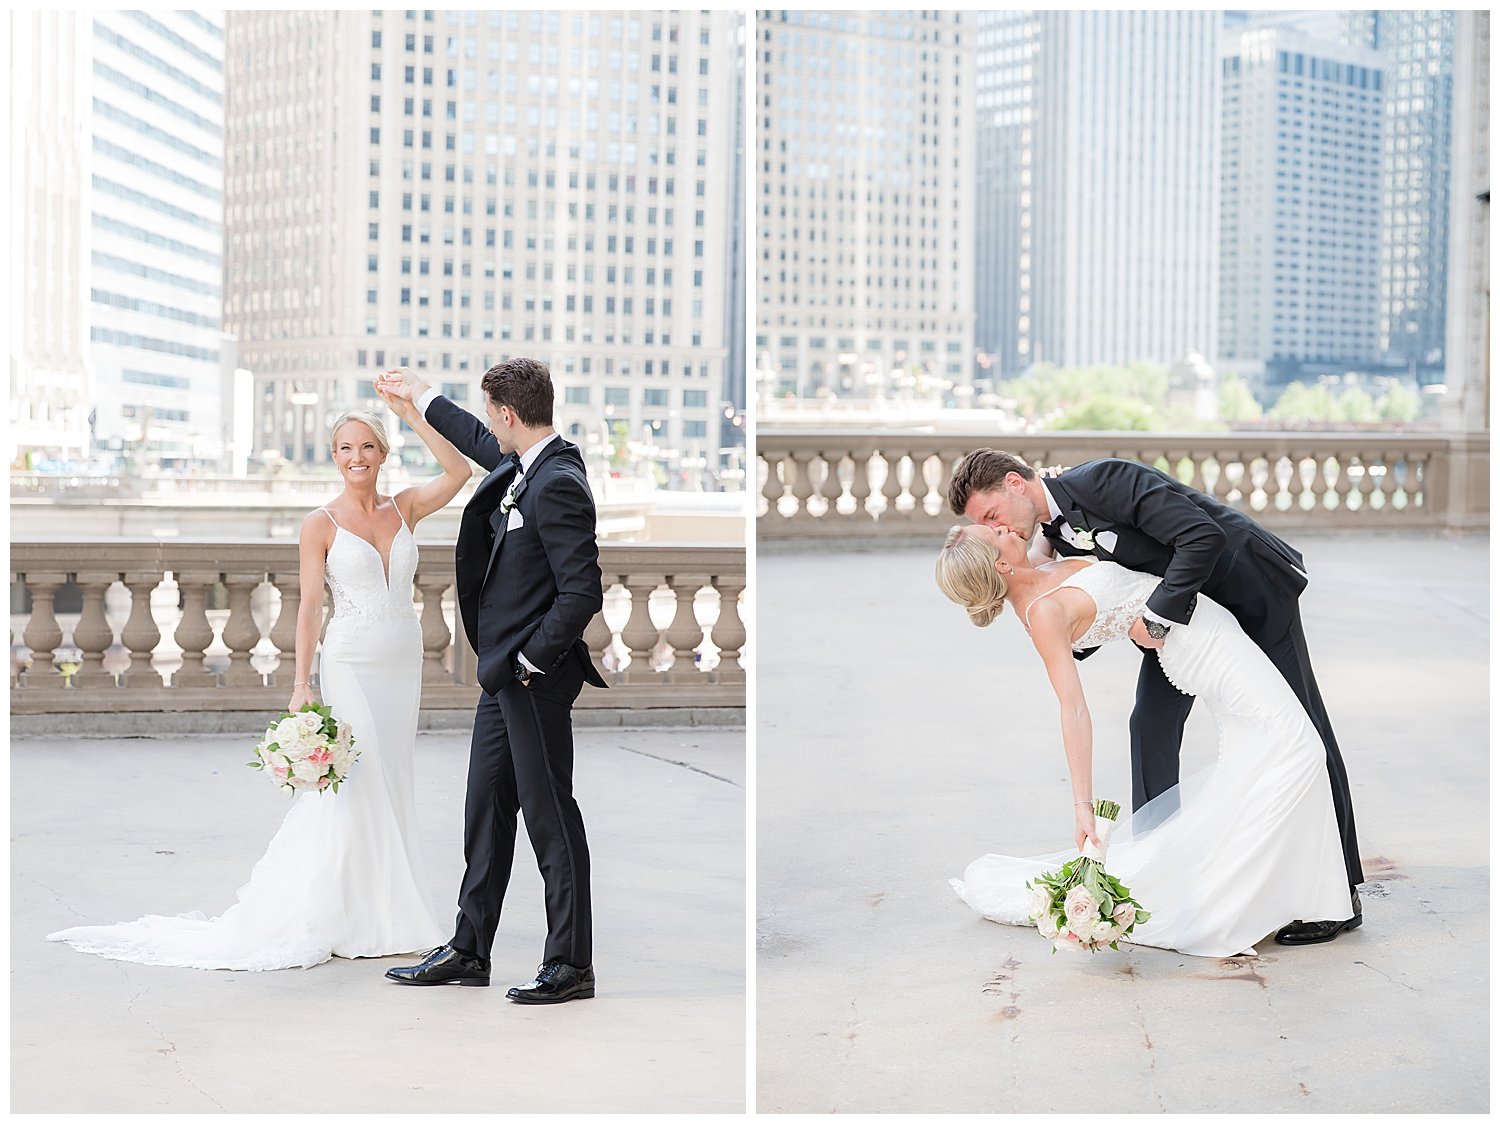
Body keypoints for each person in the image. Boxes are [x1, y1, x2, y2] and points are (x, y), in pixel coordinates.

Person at [47, 409, 472, 969]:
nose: (355, 458)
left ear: (383, 453)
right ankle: (346, 916)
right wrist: (301, 683)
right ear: (334, 455)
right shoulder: (320, 523)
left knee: (394, 780)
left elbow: (460, 470)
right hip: (350, 662)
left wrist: (412, 413)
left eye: (367, 447)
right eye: (344, 448)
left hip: (402, 664)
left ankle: (393, 913)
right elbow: (311, 607)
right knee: (355, 783)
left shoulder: (406, 507)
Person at [945, 449, 1361, 945]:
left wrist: (1154, 617)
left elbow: (1203, 535)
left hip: (1244, 589)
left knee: (1304, 729)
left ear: (1015, 483)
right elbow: (1059, 597)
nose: (1001, 529)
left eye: (992, 517)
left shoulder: (1104, 480)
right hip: (1181, 623)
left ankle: (1343, 888)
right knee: (1150, 725)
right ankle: (1159, 863)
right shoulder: (1050, 534)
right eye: (988, 528)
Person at [377, 359, 606, 1003]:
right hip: (500, 676)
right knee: (487, 807)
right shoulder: (520, 462)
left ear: (507, 414)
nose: (487, 428)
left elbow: (581, 590)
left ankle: (570, 965)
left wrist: (532, 661)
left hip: (531, 677)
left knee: (549, 816)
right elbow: (473, 440)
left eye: (490, 416)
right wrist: (419, 397)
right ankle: (470, 948)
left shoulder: (558, 480)